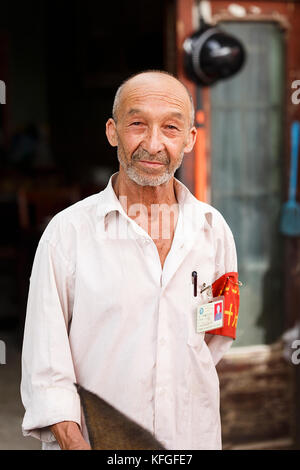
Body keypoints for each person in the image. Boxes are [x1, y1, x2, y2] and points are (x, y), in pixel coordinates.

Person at [21, 70, 239, 450]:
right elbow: (46, 366)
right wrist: (76, 444)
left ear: (189, 139)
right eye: (138, 124)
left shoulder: (213, 229)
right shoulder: (67, 233)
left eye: (171, 128)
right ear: (112, 131)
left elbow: (219, 333)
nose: (153, 144)